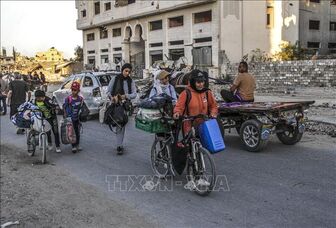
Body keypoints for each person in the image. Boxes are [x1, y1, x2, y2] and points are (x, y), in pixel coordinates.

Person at [173, 70, 218, 135]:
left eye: (202, 82)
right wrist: (177, 113)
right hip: (189, 126)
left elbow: (213, 106)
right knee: (191, 144)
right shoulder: (186, 93)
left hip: (205, 124)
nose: (201, 84)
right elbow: (179, 106)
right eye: (198, 82)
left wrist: (213, 113)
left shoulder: (207, 93)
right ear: (193, 82)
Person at [107, 63, 137, 155]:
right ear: (122, 70)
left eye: (129, 71)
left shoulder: (130, 81)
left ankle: (119, 144)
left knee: (122, 124)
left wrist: (125, 96)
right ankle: (119, 145)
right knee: (119, 124)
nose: (127, 73)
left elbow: (134, 94)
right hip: (116, 105)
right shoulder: (115, 79)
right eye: (126, 71)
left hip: (125, 106)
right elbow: (108, 91)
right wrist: (112, 98)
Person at [63, 81, 85, 153]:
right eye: (72, 90)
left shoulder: (80, 99)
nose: (73, 91)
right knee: (71, 132)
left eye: (75, 90)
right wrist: (65, 116)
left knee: (77, 132)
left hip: (77, 119)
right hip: (70, 119)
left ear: (78, 90)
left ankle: (77, 144)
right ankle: (73, 146)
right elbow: (65, 107)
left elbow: (83, 108)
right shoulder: (68, 99)